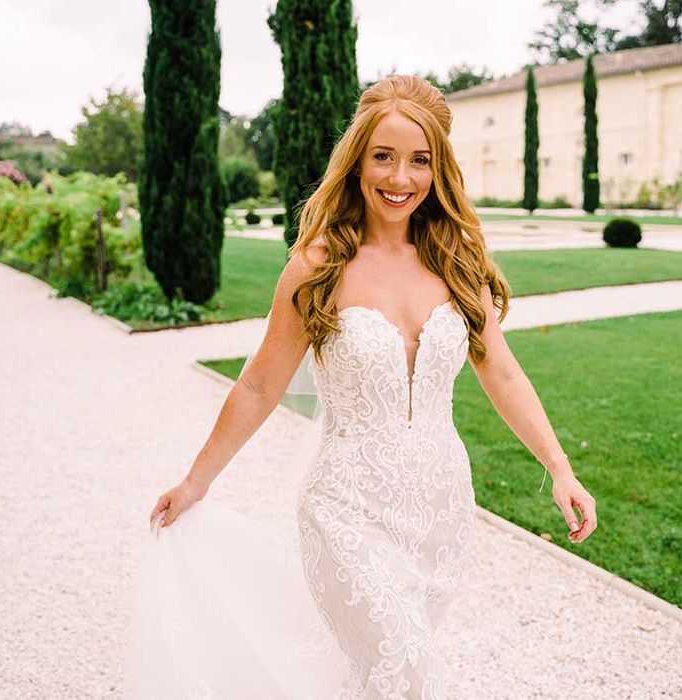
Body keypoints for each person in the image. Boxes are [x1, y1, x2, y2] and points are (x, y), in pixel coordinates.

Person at [131, 74, 597, 699]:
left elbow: (504, 372)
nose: (399, 178)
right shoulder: (318, 266)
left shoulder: (459, 265)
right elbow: (259, 385)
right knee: (407, 668)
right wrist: (196, 481)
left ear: (438, 170)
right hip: (344, 512)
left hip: (441, 510)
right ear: (356, 162)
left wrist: (561, 468)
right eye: (383, 156)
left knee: (379, 679)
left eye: (419, 161)